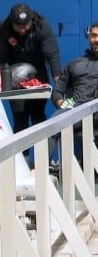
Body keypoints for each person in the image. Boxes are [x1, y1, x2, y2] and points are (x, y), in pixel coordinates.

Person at [0, 3, 62, 134]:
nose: (23, 30)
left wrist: (60, 86)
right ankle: (22, 155)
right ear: (12, 22)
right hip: (13, 76)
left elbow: (52, 56)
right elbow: (0, 60)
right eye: (19, 27)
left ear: (31, 20)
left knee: (38, 118)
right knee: (20, 120)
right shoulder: (3, 29)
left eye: (26, 25)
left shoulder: (42, 26)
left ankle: (44, 153)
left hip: (38, 75)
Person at [48, 21, 98, 162]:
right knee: (52, 124)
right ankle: (38, 175)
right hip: (77, 109)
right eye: (94, 35)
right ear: (89, 37)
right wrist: (62, 104)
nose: (97, 40)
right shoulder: (74, 64)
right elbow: (57, 91)